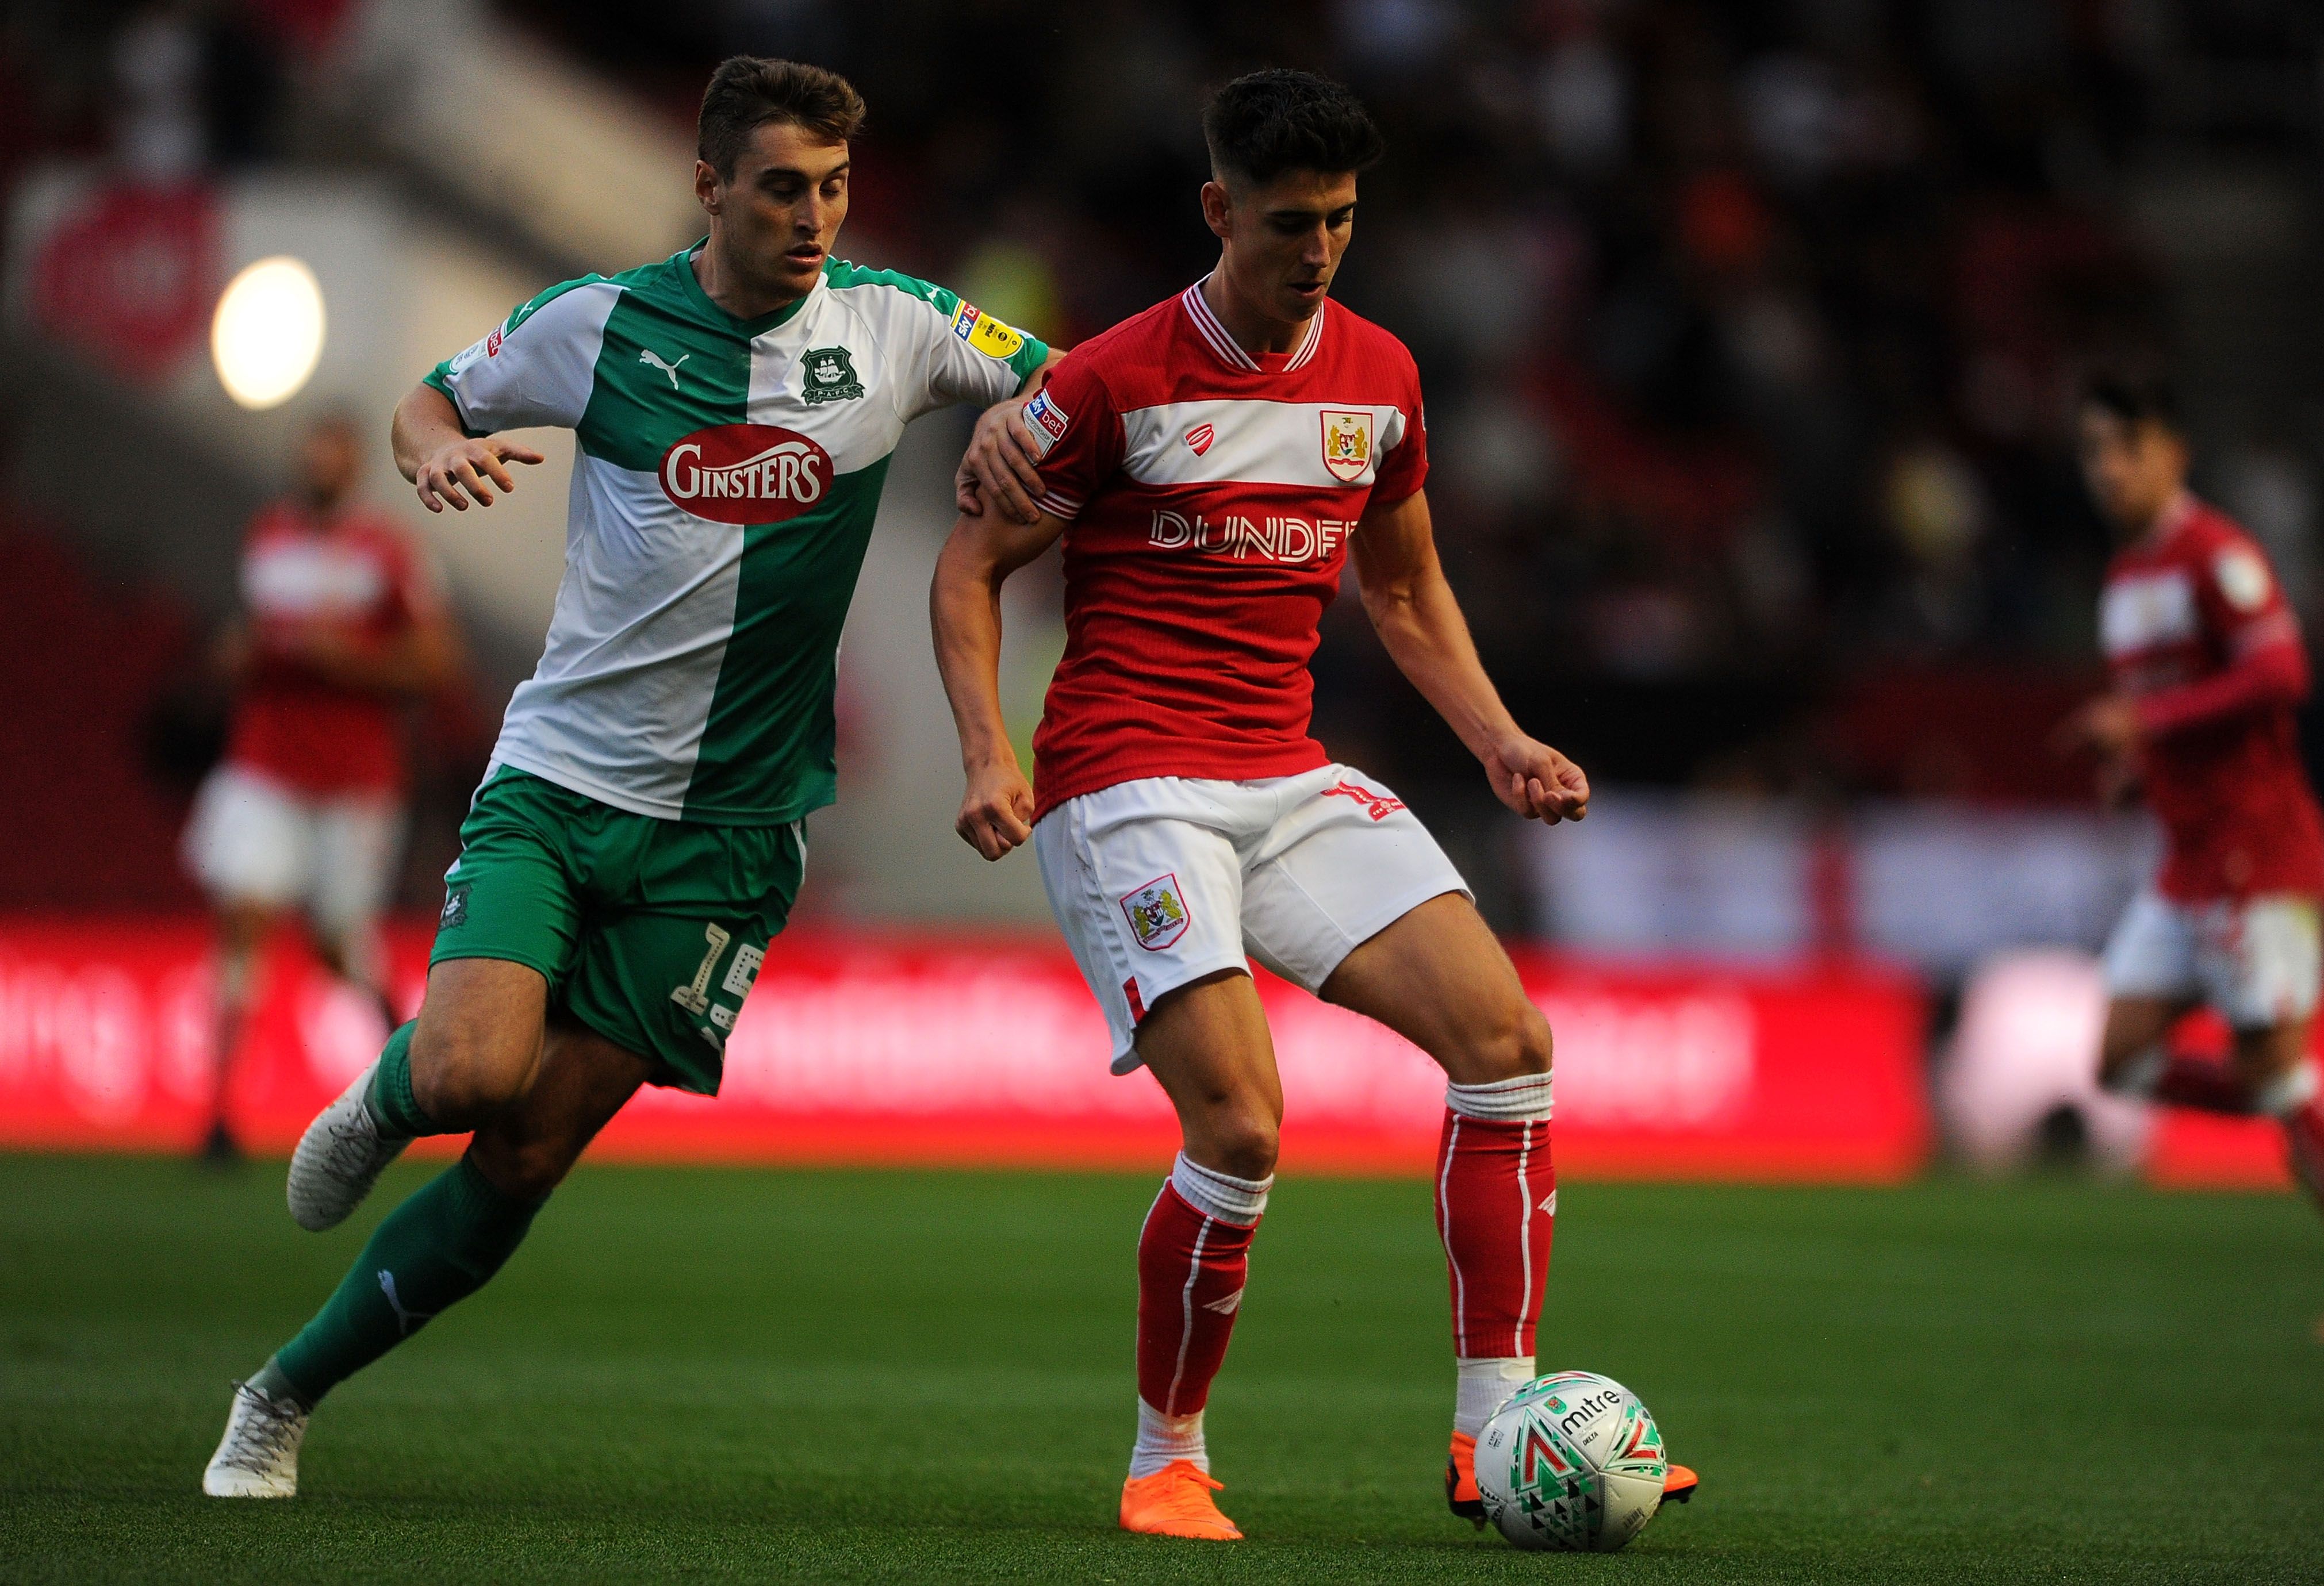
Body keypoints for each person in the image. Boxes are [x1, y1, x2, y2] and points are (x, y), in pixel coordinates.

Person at [202, 55, 1057, 1498]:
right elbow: (431, 400)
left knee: (528, 1155)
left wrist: (1016, 416)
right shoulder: (598, 326)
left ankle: (279, 1397)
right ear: (711, 186)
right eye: (783, 187)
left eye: (836, 190)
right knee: (472, 1070)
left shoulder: (896, 329)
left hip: (733, 835)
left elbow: (1067, 389)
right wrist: (432, 458)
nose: (814, 219)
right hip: (560, 781)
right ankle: (386, 1096)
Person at [930, 68, 1697, 1541]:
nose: (1320, 249)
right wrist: (985, 750)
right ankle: (1167, 1457)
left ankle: (1497, 1444)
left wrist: (1496, 739)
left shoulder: (1381, 377)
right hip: (1127, 780)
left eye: (1341, 220)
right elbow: (966, 570)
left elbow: (1401, 588)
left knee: (1507, 1047)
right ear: (1218, 210)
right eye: (1290, 222)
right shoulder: (1111, 382)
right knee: (1240, 1124)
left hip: (1280, 771)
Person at [2061, 372, 2324, 1206]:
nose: (2108, 468)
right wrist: (2137, 776)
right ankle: (2284, 1096)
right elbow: (2168, 720)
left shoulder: (2214, 553)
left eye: (2126, 447)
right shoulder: (2123, 580)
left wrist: (2151, 725)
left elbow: (2281, 671)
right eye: (2093, 451)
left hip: (2255, 858)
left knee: (2280, 1084)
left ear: (2173, 452)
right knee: (2121, 1059)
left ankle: (2288, 1098)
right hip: (2183, 868)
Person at [181, 412, 460, 1163]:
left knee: (342, 942)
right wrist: (235, 656)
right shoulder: (268, 537)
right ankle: (218, 1112)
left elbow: (435, 664)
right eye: (312, 450)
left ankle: (406, 1073)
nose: (319, 464)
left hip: (355, 776)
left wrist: (347, 660)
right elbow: (246, 639)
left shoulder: (389, 555)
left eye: (332, 452)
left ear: (355, 466)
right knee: (243, 911)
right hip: (264, 763)